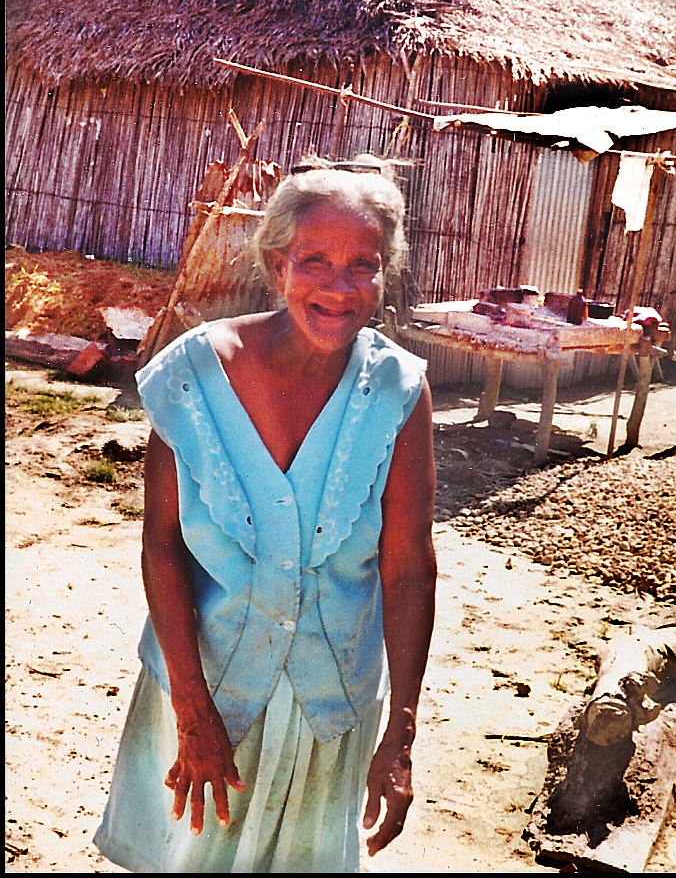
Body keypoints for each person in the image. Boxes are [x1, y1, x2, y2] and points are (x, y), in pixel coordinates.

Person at [94, 163, 437, 873]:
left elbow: (409, 566)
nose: (338, 289)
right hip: (204, 687)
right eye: (315, 262)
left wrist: (399, 735)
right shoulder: (191, 375)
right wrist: (193, 712)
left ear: (385, 275)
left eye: (362, 267)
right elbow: (161, 547)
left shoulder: (400, 391)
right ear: (278, 265)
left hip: (328, 703)